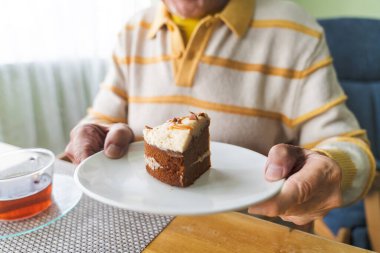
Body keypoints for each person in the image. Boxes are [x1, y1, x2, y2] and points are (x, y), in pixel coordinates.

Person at [65, 0, 375, 225]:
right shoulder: (134, 30)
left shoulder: (296, 33)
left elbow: (353, 150)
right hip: (136, 227)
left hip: (248, 234)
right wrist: (93, 133)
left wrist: (333, 169)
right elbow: (101, 118)